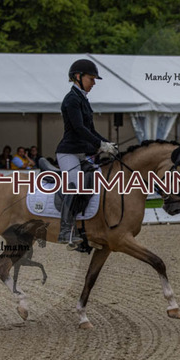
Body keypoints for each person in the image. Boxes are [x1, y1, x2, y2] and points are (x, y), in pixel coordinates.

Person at [56, 59, 118, 247]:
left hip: (82, 154)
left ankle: (90, 228)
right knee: (75, 186)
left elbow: (90, 130)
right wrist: (100, 144)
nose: (94, 83)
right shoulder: (71, 100)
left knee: (97, 182)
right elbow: (79, 128)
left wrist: (107, 143)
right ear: (78, 76)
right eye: (91, 79)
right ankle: (65, 231)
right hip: (68, 153)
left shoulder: (83, 99)